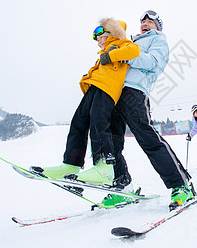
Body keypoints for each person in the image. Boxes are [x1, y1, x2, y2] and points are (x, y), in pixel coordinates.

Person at [30, 18, 140, 185]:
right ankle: (71, 165)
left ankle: (105, 168)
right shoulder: (104, 52)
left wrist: (110, 55)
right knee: (78, 122)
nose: (98, 42)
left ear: (111, 32)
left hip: (107, 89)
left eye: (100, 37)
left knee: (99, 121)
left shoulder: (120, 43)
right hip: (94, 88)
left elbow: (134, 50)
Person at [104, 10, 194, 210]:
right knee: (111, 141)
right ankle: (123, 186)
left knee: (148, 138)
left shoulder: (159, 41)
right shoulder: (130, 41)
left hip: (135, 91)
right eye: (143, 21)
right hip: (114, 92)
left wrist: (124, 56)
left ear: (157, 27)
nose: (145, 24)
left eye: (150, 22)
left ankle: (181, 185)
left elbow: (152, 63)